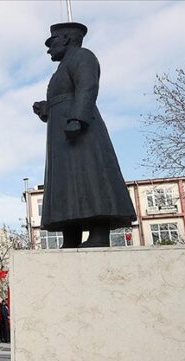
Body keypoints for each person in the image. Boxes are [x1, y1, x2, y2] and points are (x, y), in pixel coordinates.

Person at [32, 22, 135, 247]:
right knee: (66, 183)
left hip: (80, 131)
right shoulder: (62, 67)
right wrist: (47, 109)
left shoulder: (83, 56)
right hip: (60, 134)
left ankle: (98, 235)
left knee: (90, 176)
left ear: (67, 39)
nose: (49, 48)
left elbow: (87, 87)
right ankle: (70, 237)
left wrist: (78, 118)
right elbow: (65, 96)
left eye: (52, 42)